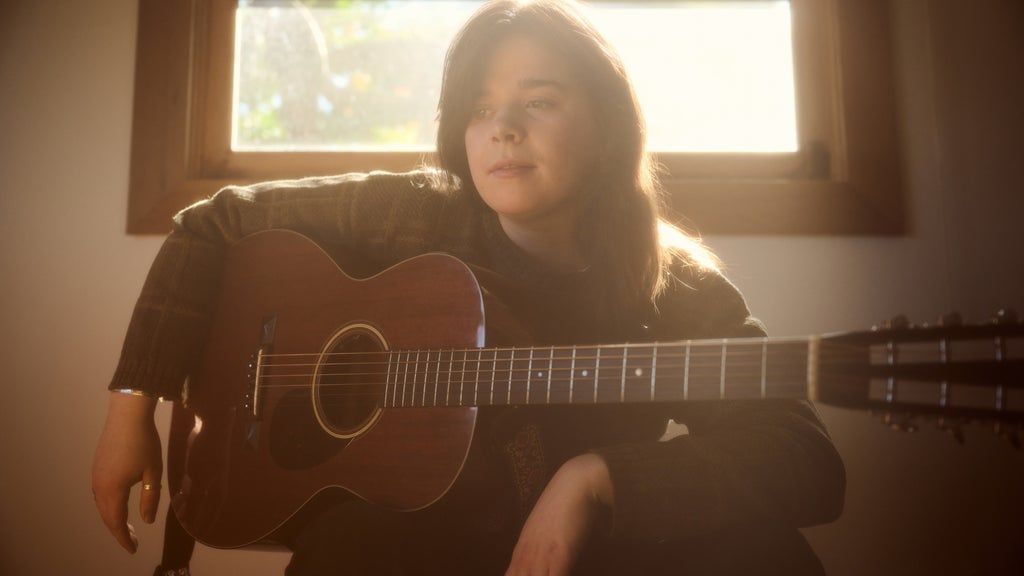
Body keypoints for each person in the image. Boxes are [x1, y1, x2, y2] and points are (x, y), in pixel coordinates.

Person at [92, 1, 846, 574]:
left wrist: (597, 479)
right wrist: (134, 407)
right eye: (480, 109)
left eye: (539, 100)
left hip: (561, 544)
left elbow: (805, 458)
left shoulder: (672, 284)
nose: (502, 128)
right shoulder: (415, 214)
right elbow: (213, 221)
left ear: (608, 127)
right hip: (405, 537)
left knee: (769, 553)